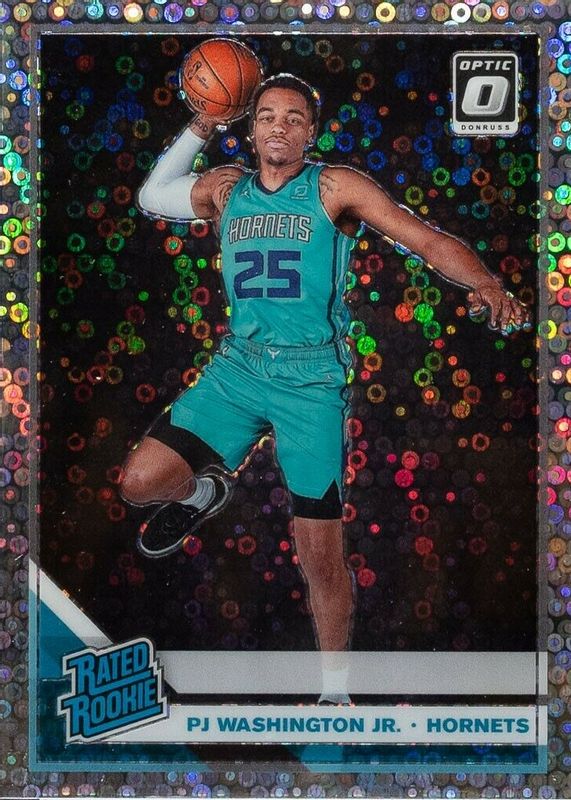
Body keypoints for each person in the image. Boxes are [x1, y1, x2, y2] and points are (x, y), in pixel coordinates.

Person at [121, 70, 529, 704]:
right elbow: (152, 196)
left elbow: (423, 239)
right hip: (237, 371)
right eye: (266, 116)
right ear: (250, 129)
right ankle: (204, 491)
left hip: (310, 382)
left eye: (293, 118)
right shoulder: (226, 189)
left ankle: (335, 693)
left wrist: (485, 283)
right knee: (137, 483)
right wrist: (202, 122)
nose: (278, 126)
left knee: (319, 556)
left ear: (310, 132)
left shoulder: (335, 187)